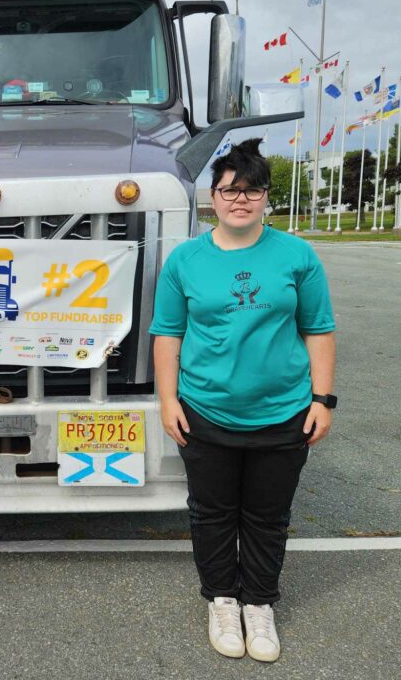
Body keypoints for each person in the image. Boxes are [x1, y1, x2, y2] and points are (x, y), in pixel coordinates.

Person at [151, 138, 336, 663]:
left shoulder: (296, 254)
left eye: (252, 190)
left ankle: (259, 602)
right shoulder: (185, 260)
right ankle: (222, 600)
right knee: (211, 513)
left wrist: (322, 399)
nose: (240, 199)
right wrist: (168, 400)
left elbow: (318, 329)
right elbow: (168, 334)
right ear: (213, 196)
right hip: (206, 409)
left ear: (265, 198)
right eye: (230, 189)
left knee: (267, 515)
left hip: (283, 412)